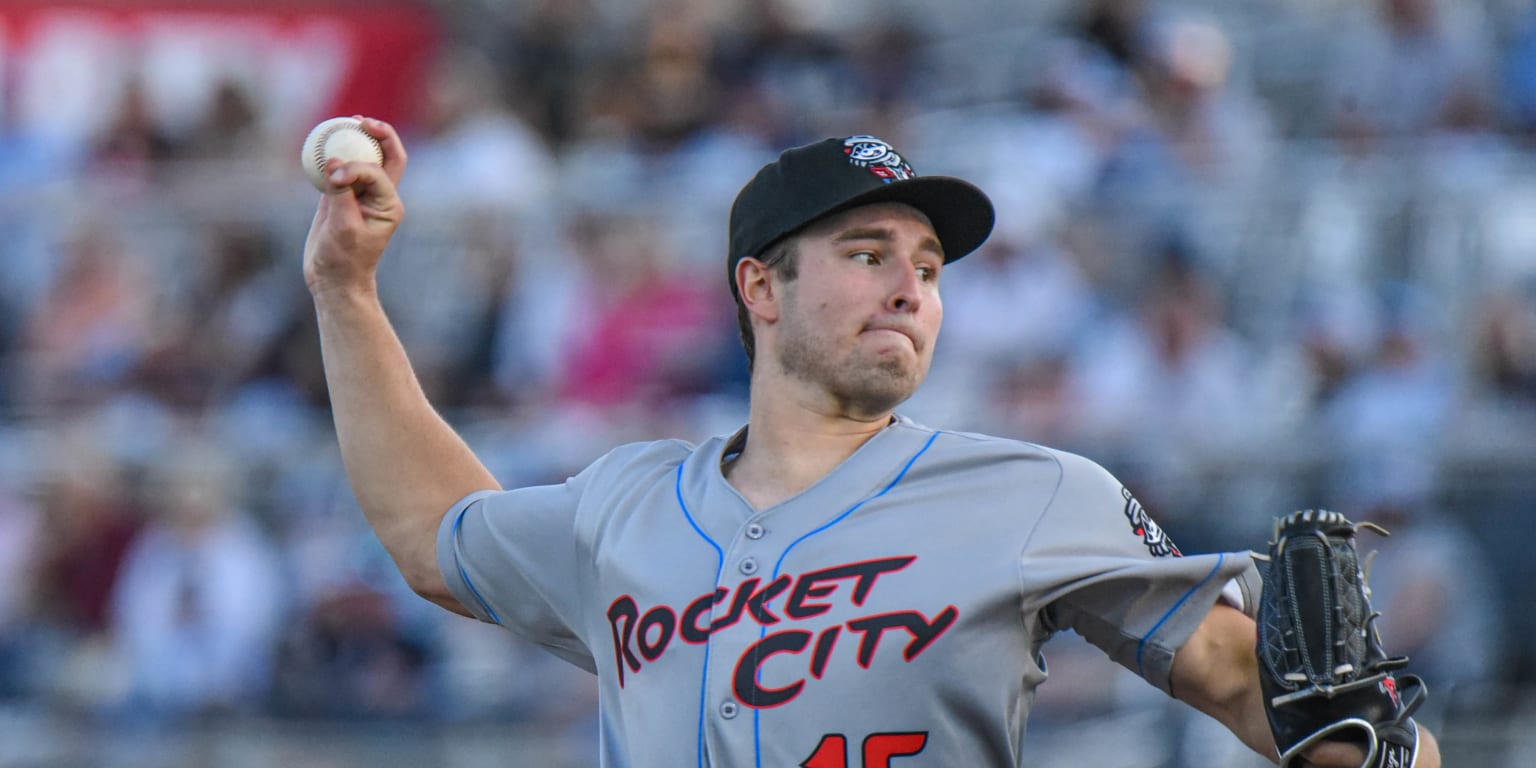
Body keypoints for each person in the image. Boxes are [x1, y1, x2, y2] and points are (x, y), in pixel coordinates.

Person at [302, 119, 1441, 767]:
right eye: (867, 253)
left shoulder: (1031, 491)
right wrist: (346, 292)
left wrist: (1393, 753)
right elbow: (425, 532)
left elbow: (1281, 698)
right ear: (760, 286)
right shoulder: (625, 505)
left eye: (932, 269)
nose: (910, 288)